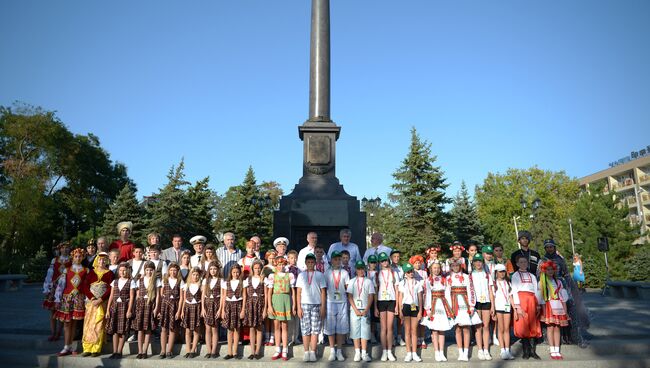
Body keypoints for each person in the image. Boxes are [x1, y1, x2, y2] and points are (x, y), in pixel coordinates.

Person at [54, 247, 89, 356]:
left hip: (79, 299)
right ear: (72, 257)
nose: (78, 258)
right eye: (76, 256)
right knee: (67, 323)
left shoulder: (86, 270)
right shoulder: (67, 270)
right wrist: (57, 298)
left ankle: (72, 346)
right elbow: (60, 286)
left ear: (83, 257)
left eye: (80, 256)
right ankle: (65, 346)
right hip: (67, 298)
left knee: (75, 324)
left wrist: (87, 299)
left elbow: (87, 286)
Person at [80, 252, 114, 357]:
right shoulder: (91, 273)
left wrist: (100, 299)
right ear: (96, 261)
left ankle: (96, 348)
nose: (102, 261)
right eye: (100, 260)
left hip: (102, 302)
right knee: (88, 324)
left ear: (107, 261)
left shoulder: (110, 273)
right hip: (91, 302)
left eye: (104, 260)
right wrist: (92, 298)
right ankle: (87, 348)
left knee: (99, 324)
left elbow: (110, 289)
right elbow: (85, 286)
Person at [296, 253, 327, 362]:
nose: (310, 264)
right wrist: (298, 307)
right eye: (308, 262)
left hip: (317, 305)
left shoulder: (320, 275)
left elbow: (323, 292)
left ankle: (313, 351)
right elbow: (298, 292)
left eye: (312, 262)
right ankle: (306, 352)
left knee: (315, 329)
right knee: (305, 329)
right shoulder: (301, 275)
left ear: (315, 263)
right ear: (305, 263)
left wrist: (323, 307)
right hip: (304, 304)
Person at [448, 258, 481, 361]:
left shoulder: (466, 277)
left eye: (457, 265)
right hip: (454, 305)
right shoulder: (449, 278)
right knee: (457, 328)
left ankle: (466, 352)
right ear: (451, 267)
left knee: (466, 328)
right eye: (453, 266)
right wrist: (449, 308)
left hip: (464, 304)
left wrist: (471, 306)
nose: (455, 267)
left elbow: (471, 291)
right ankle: (460, 351)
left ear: (460, 266)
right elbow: (447, 293)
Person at [421, 261, 454, 362]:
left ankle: (441, 352)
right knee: (434, 329)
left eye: (438, 268)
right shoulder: (428, 280)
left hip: (442, 305)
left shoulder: (444, 280)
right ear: (431, 269)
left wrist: (449, 308)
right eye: (434, 268)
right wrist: (428, 309)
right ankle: (436, 352)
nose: (436, 270)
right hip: (433, 304)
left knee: (442, 329)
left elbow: (448, 293)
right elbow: (427, 294)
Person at [511, 254, 542, 360]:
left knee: (532, 324)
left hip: (532, 301)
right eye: (521, 262)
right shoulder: (515, 275)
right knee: (523, 325)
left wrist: (538, 304)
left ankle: (533, 351)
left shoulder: (532, 276)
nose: (523, 264)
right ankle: (526, 351)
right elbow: (514, 291)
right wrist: (517, 306)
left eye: (525, 262)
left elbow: (536, 290)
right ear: (517, 264)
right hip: (521, 300)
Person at [539, 260, 570, 360]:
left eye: (552, 269)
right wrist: (543, 312)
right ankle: (552, 349)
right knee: (550, 327)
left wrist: (565, 312)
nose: (550, 271)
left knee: (557, 327)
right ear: (544, 271)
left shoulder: (559, 282)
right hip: (548, 306)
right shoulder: (542, 282)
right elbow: (542, 298)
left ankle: (557, 349)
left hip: (558, 306)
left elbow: (563, 298)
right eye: (548, 270)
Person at [266, 256, 295, 360]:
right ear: (275, 265)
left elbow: (293, 292)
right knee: (276, 325)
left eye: (282, 264)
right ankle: (277, 348)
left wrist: (294, 305)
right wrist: (269, 305)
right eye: (279, 264)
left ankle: (285, 349)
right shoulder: (272, 276)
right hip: (276, 300)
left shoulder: (290, 275)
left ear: (285, 264)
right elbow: (269, 292)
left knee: (285, 326)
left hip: (286, 300)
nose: (281, 266)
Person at [324, 251, 350, 362]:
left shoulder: (344, 273)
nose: (337, 261)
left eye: (339, 259)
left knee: (340, 327)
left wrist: (349, 302)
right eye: (335, 259)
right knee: (330, 327)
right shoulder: (327, 273)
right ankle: (332, 350)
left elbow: (347, 288)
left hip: (342, 302)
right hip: (330, 302)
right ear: (331, 260)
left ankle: (339, 350)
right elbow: (323, 289)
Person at [105, 262, 134, 359]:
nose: (123, 272)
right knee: (115, 331)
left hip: (124, 307)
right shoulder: (115, 281)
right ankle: (114, 351)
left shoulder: (131, 282)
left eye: (124, 270)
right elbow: (111, 296)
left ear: (127, 271)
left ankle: (119, 351)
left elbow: (132, 297)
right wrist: (108, 310)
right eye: (121, 270)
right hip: (115, 307)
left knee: (122, 331)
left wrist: (129, 310)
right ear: (118, 271)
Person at [132, 261, 161, 359]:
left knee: (148, 329)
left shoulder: (156, 280)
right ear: (144, 270)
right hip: (140, 305)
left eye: (151, 270)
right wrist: (134, 307)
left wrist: (156, 308)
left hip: (150, 305)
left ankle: (145, 351)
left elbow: (158, 296)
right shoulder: (140, 280)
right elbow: (137, 295)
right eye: (147, 270)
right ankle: (139, 351)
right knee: (140, 329)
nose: (149, 272)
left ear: (154, 270)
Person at [347, 260, 375, 362]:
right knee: (355, 331)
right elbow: (349, 296)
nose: (361, 271)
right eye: (359, 269)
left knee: (365, 332)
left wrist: (366, 309)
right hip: (355, 310)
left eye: (362, 268)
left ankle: (364, 352)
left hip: (365, 310)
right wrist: (355, 309)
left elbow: (371, 296)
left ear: (365, 269)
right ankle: (357, 352)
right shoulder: (352, 281)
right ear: (356, 270)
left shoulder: (368, 281)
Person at [43, 241, 70, 342]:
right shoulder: (55, 260)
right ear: (60, 249)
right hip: (54, 288)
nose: (65, 249)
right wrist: (47, 287)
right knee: (52, 311)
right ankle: (53, 332)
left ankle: (59, 332)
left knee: (62, 311)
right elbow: (50, 274)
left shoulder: (72, 260)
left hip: (65, 288)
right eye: (63, 248)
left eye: (67, 248)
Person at [470, 253, 495, 361]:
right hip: (476, 303)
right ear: (473, 263)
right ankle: (480, 349)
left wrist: (493, 306)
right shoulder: (471, 275)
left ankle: (486, 350)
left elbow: (490, 291)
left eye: (480, 261)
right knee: (478, 327)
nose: (478, 263)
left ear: (482, 262)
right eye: (476, 261)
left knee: (486, 326)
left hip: (486, 302)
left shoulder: (487, 274)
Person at [374, 252, 398, 362]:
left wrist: (397, 305)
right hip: (381, 301)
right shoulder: (377, 274)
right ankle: (384, 351)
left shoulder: (394, 273)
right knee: (383, 328)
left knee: (390, 328)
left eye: (386, 260)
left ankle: (389, 351)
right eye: (382, 260)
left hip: (392, 300)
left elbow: (397, 290)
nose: (385, 262)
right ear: (380, 262)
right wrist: (375, 307)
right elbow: (375, 291)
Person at [397, 262, 424, 362]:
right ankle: (408, 353)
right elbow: (400, 297)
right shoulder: (401, 283)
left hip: (415, 307)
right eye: (408, 272)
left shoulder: (418, 283)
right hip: (406, 307)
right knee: (407, 331)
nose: (411, 273)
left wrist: (420, 311)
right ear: (405, 273)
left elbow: (420, 298)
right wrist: (400, 310)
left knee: (414, 330)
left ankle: (414, 353)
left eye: (412, 271)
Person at [243, 260, 267, 360]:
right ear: (252, 269)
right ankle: (252, 351)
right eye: (255, 268)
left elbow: (266, 295)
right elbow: (245, 295)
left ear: (261, 269)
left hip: (260, 304)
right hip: (250, 304)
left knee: (259, 327)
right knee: (252, 328)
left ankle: (258, 352)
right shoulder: (248, 279)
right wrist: (244, 308)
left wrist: (265, 309)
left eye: (259, 268)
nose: (257, 270)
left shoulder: (264, 279)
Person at [158, 263, 182, 359]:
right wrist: (159, 309)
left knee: (172, 328)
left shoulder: (180, 282)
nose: (173, 272)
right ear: (168, 271)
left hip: (175, 305)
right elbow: (160, 296)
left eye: (175, 270)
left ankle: (169, 350)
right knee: (164, 328)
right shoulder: (164, 281)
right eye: (171, 270)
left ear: (177, 271)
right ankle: (163, 350)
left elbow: (181, 298)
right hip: (165, 305)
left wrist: (179, 311)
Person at [221, 264, 245, 360]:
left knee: (237, 329)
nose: (235, 274)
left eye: (237, 272)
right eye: (234, 272)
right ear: (231, 273)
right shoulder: (226, 283)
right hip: (229, 306)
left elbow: (245, 297)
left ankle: (235, 352)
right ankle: (229, 352)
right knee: (230, 330)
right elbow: (223, 297)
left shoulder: (242, 283)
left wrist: (243, 310)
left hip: (238, 305)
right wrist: (223, 310)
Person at [493, 263, 515, 360]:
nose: (502, 273)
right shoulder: (494, 283)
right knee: (500, 329)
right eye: (500, 272)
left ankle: (507, 350)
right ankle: (502, 350)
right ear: (496, 273)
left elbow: (510, 296)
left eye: (503, 272)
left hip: (507, 308)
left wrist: (514, 309)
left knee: (507, 329)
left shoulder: (508, 282)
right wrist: (492, 309)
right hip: (498, 308)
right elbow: (492, 297)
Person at [180, 267, 203, 358]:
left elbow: (202, 299)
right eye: (193, 274)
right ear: (191, 275)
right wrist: (182, 311)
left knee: (196, 331)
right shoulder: (186, 285)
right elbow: (184, 299)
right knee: (188, 331)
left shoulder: (201, 286)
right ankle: (188, 350)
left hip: (197, 307)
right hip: (188, 308)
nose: (195, 276)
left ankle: (193, 349)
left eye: (197, 275)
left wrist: (201, 310)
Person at [202, 261, 222, 359]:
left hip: (216, 304)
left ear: (218, 270)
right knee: (207, 329)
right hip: (207, 304)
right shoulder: (205, 280)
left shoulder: (221, 280)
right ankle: (208, 351)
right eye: (211, 269)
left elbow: (222, 296)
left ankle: (214, 350)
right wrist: (203, 308)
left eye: (214, 269)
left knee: (214, 329)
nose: (213, 271)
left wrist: (220, 309)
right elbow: (203, 296)